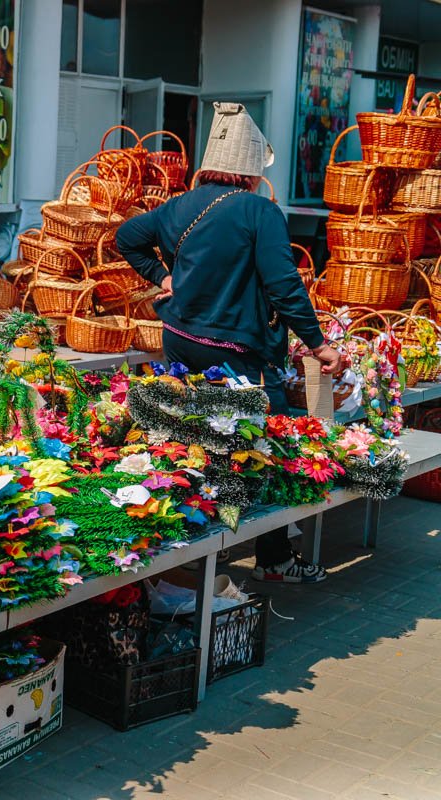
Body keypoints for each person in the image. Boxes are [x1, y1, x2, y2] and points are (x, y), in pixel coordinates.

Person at [116, 102, 346, 584]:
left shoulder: (179, 205)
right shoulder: (259, 211)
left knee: (196, 437)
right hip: (238, 352)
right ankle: (272, 556)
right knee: (273, 441)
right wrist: (318, 344)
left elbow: (127, 237)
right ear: (250, 171)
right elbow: (285, 285)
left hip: (180, 341)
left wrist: (162, 278)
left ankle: (196, 548)